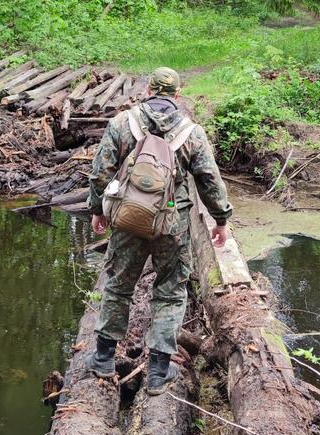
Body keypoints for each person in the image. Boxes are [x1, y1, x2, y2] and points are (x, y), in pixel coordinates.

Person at [86, 66, 232, 395]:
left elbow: (99, 174)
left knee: (119, 285)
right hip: (173, 224)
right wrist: (221, 219)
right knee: (170, 292)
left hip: (128, 219)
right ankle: (157, 373)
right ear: (177, 95)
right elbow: (209, 181)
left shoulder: (122, 123)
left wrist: (97, 211)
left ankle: (104, 358)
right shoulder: (192, 132)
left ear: (148, 89)